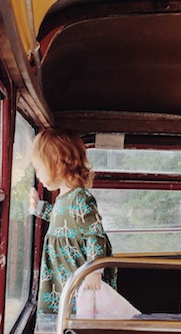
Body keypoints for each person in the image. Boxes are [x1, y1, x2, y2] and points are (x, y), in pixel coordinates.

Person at [30, 128, 117, 315]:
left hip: (77, 274)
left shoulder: (80, 198)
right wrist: (40, 209)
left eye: (39, 168)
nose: (37, 174)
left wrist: (94, 270)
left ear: (58, 163)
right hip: (62, 275)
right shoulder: (63, 197)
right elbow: (62, 220)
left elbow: (95, 234)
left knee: (79, 313)